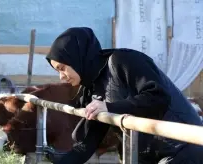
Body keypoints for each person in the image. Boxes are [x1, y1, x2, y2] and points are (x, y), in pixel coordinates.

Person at [45, 27, 203, 164]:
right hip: (151, 156)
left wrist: (110, 107)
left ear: (76, 57)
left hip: (183, 148)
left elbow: (158, 97)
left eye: (62, 68)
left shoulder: (123, 60)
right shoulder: (95, 87)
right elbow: (91, 140)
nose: (62, 76)